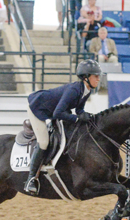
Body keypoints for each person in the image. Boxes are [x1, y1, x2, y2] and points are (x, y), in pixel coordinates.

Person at [24, 60, 101, 195]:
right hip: (38, 108)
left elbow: (79, 110)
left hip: (52, 110)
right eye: (96, 76)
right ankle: (31, 179)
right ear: (86, 77)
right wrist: (77, 118)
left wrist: (89, 117)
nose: (98, 79)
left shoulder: (87, 90)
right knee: (44, 142)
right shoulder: (74, 90)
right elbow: (58, 113)